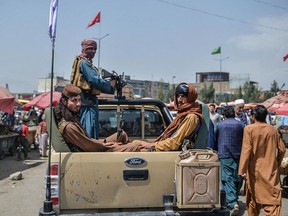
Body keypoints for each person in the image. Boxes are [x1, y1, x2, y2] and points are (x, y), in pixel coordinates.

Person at [54, 84, 140, 152]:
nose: (78, 104)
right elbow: (88, 147)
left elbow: (89, 140)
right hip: (91, 154)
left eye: (79, 100)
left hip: (94, 147)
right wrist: (108, 145)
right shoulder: (69, 127)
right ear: (65, 101)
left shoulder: (72, 119)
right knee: (133, 146)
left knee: (121, 134)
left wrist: (105, 143)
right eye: (74, 100)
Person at [238, 105, 286, 216]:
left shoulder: (249, 129)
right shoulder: (273, 129)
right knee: (273, 202)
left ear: (254, 116)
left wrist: (242, 170)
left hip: (255, 171)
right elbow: (282, 149)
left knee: (253, 201)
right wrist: (276, 163)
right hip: (270, 172)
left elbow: (246, 151)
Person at [132, 83, 203, 151]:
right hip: (165, 148)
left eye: (183, 96)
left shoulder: (191, 117)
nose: (179, 100)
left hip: (171, 152)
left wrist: (151, 145)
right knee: (135, 143)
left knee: (131, 148)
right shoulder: (182, 115)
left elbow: (174, 143)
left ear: (190, 97)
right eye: (178, 96)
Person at [70, 39, 116, 139]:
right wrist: (110, 85)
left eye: (95, 49)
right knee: (89, 134)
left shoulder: (84, 62)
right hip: (87, 103)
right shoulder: (84, 63)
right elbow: (93, 79)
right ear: (84, 49)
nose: (94, 51)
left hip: (88, 102)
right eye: (91, 48)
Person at [214, 106, 244, 215]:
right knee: (238, 177)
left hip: (224, 154)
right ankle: (233, 198)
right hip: (239, 154)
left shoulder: (219, 125)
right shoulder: (241, 124)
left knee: (227, 178)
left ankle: (232, 202)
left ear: (224, 115)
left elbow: (215, 137)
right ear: (234, 114)